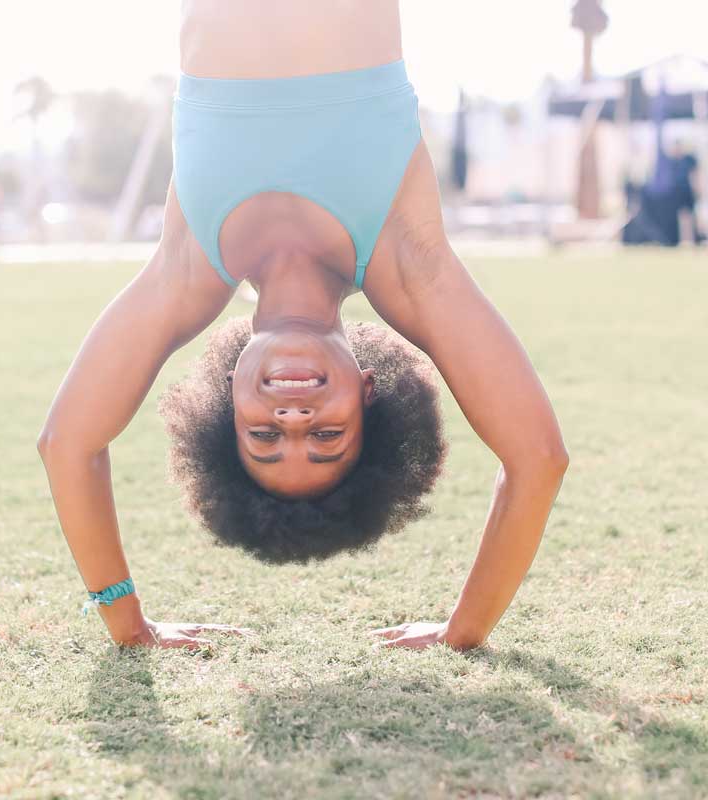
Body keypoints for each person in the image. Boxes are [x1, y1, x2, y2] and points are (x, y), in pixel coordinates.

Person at [37, 1, 569, 653]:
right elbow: (538, 459)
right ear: (368, 393)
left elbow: (67, 443)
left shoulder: (188, 273)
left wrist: (129, 626)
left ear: (228, 397)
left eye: (263, 435)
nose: (293, 417)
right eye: (327, 434)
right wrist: (465, 632)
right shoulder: (409, 269)